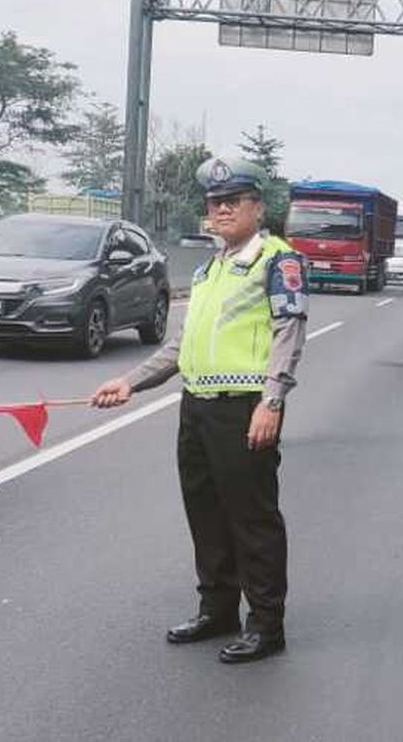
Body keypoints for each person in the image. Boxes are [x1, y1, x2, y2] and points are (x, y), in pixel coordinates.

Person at [90, 157, 309, 664]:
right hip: (196, 407)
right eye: (215, 203)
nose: (223, 210)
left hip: (245, 408)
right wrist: (128, 382)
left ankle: (266, 625)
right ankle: (217, 609)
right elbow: (181, 348)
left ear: (258, 206)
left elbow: (289, 332)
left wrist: (271, 401)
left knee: (251, 519)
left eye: (234, 201)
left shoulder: (278, 261)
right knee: (205, 513)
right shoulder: (212, 267)